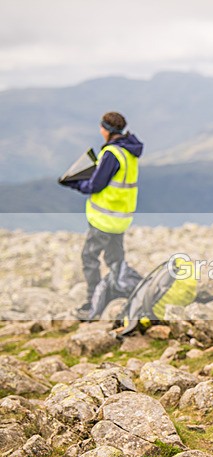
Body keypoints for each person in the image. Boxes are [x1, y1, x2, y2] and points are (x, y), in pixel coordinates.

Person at [63, 112, 143, 319]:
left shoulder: (111, 154)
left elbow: (96, 185)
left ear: (106, 129)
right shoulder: (129, 153)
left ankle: (93, 303)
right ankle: (120, 292)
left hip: (103, 219)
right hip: (121, 217)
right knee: (115, 258)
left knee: (89, 257)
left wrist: (74, 183)